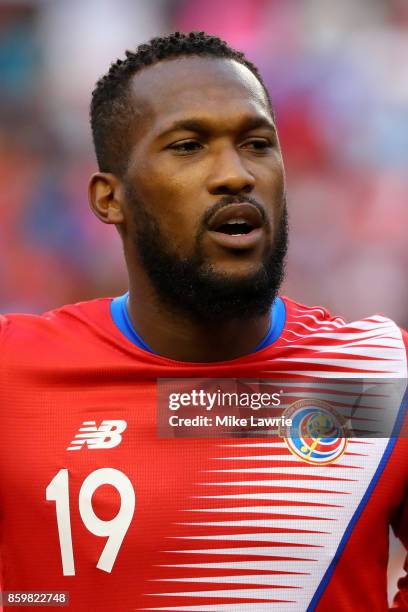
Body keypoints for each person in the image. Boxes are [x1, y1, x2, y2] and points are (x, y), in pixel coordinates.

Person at [0, 31, 406, 612]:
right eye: (188, 146)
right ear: (108, 199)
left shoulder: (378, 377)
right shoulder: (12, 372)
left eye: (257, 143)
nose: (236, 174)